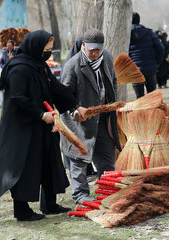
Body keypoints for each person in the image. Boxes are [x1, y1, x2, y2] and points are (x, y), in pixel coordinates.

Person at [0, 30, 87, 221]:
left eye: (50, 50)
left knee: (49, 160)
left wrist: (75, 106)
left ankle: (50, 204)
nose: (48, 53)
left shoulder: (40, 65)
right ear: (35, 47)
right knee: (25, 166)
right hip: (23, 128)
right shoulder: (18, 68)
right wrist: (40, 114)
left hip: (44, 124)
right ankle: (21, 210)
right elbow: (17, 99)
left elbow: (56, 88)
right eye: (46, 50)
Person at [60, 28, 122, 204]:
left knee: (107, 157)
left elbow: (113, 81)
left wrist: (113, 104)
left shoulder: (107, 57)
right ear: (83, 45)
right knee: (79, 159)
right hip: (79, 122)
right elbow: (64, 96)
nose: (95, 53)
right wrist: (75, 111)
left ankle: (107, 188)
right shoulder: (73, 65)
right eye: (91, 49)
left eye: (98, 49)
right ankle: (80, 194)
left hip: (103, 118)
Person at [61, 36, 97, 177]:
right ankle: (77, 173)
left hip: (82, 111)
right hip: (72, 112)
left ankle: (87, 170)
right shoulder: (71, 65)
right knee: (75, 143)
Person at [129, 12, 164, 98]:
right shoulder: (149, 32)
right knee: (152, 98)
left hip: (135, 70)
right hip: (150, 69)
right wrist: (157, 62)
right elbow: (161, 48)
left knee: (140, 98)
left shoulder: (126, 34)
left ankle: (141, 111)